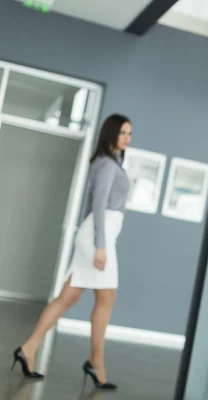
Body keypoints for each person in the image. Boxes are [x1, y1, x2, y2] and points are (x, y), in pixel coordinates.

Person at [12, 113, 132, 391]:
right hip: (98, 238)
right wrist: (100, 245)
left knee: (69, 296)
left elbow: (94, 209)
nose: (127, 138)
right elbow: (98, 205)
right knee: (106, 297)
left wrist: (95, 238)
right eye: (123, 132)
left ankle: (28, 349)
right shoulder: (105, 164)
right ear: (111, 133)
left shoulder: (112, 163)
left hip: (96, 235)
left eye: (130, 133)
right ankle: (96, 363)